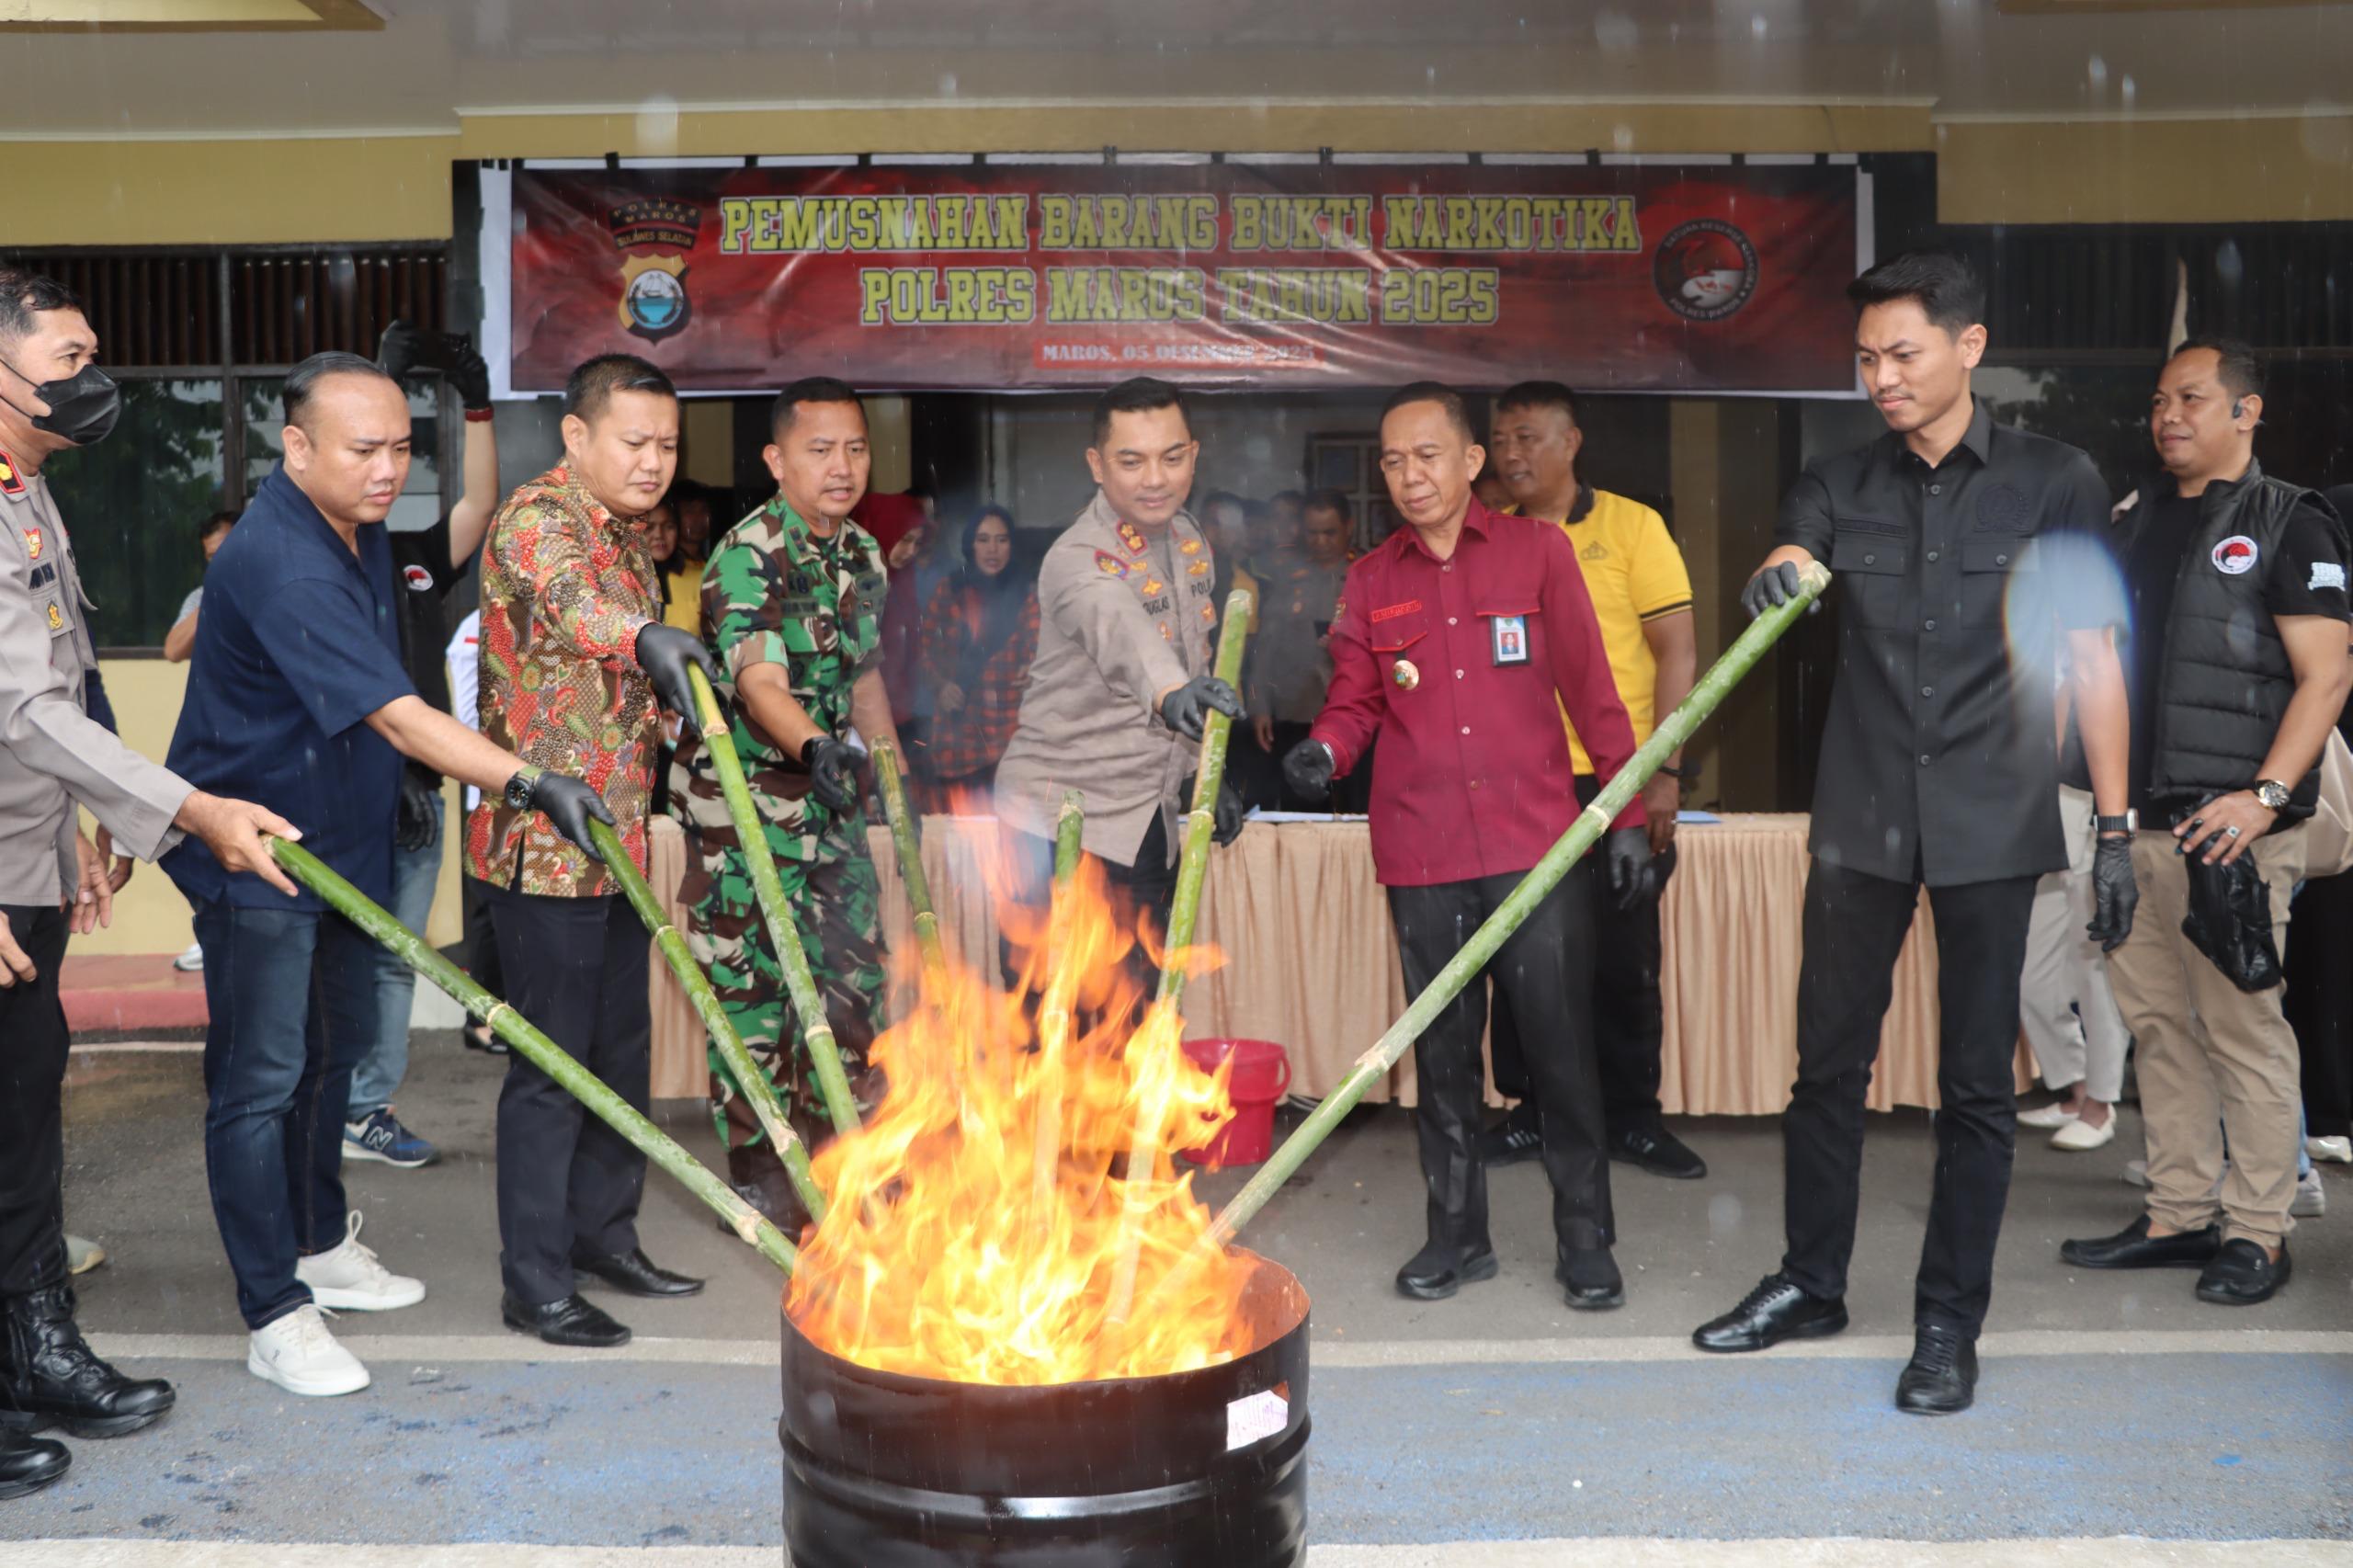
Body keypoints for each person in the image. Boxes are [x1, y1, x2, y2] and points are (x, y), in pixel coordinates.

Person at [1691, 252, 2136, 1417]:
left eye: (1902, 354)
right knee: (1826, 1066)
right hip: (1860, 819)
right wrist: (1779, 576)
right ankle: (1810, 1281)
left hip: (1994, 819)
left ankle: (1948, 1319)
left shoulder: (2055, 479)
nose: (1879, 378)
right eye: (1864, 360)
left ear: (1968, 347)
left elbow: (2091, 658)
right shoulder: (1836, 482)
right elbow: (1793, 555)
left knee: (1975, 1086)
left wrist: (2118, 828)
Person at [163, 351, 613, 1400]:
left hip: (344, 846)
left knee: (332, 1058)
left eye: (402, 447)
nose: (387, 467)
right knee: (259, 1081)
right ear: (297, 446)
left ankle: (318, 1242)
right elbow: (398, 713)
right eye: (364, 448)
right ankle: (274, 1310)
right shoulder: (279, 555)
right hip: (258, 853)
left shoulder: (356, 532)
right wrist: (531, 779)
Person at [0, 267, 300, 1496]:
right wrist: (183, 808)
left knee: (23, 1119)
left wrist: (86, 820)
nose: (91, 380)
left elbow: (56, 680)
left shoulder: (30, 492)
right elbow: (15, 700)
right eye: (66, 359)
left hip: (23, 860)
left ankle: (33, 1347)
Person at [1282, 381, 1651, 1311]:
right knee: (1442, 1057)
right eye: (1394, 461)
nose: (1411, 476)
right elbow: (1357, 698)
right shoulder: (1371, 580)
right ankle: (1456, 1233)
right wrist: (1324, 749)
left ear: (1471, 461)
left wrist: (1630, 814)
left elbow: (1592, 691)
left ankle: (1584, 1236)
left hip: (1534, 846)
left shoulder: (1537, 551)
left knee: (1560, 1048)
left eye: (1428, 455)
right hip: (1422, 849)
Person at [2059, 339, 2351, 1306]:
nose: (2167, 414)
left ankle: (2259, 1231)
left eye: (2191, 397)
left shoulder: (2287, 520)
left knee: (2240, 1029)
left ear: (2246, 410)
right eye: (2157, 399)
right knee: (2156, 1025)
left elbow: (2328, 675)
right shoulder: (2134, 518)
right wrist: (2107, 820)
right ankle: (2179, 1212)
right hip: (2134, 823)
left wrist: (2263, 795)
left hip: (2228, 830)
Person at [467, 353, 715, 1350]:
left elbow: (628, 680)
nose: (655, 462)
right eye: (635, 441)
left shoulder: (630, 537)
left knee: (619, 1051)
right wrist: (649, 633)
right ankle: (533, 1281)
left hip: (612, 837)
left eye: (667, 445)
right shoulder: (538, 520)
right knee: (550, 1066)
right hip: (542, 846)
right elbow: (579, 608)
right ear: (577, 436)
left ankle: (603, 1235)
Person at [672, 377, 900, 1228]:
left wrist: (889, 771)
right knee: (755, 993)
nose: (842, 467)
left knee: (852, 980)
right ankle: (761, 1165)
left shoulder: (864, 555)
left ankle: (847, 1150)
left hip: (833, 801)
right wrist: (818, 749)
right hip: (748, 815)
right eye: (820, 449)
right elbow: (759, 681)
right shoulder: (748, 553)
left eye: (855, 448)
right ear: (776, 459)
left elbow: (864, 674)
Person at [1483, 381, 1704, 1182]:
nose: (1513, 455)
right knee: (1520, 958)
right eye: (1502, 440)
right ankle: (1531, 1112)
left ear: (1571, 442)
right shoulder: (1487, 538)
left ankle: (1633, 1118)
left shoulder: (1631, 526)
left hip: (1619, 783)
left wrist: (1665, 773)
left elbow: (1677, 650)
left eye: (1530, 438)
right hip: (1519, 787)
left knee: (1622, 956)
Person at [992, 377, 1245, 994]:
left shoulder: (1189, 540)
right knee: (1049, 1027)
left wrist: (1197, 773)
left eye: (1172, 457)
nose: (1154, 478)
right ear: (1097, 466)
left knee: (1135, 1018)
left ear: (1194, 454)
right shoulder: (1077, 556)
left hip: (1144, 818)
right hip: (1056, 825)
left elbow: (1195, 654)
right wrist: (1170, 693)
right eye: (1131, 461)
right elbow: (1120, 626)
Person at [337, 320, 503, 1173]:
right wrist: (377, 376)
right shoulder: (328, 557)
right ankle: (317, 1105)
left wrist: (474, 406)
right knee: (331, 956)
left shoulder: (410, 560)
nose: (384, 473)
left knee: (396, 958)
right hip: (340, 796)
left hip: (416, 796)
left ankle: (366, 1110)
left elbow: (477, 506)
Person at [914, 505, 1040, 814]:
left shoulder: (1028, 593)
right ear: (970, 544)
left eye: (1001, 539)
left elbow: (1045, 650)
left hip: (1011, 733)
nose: (993, 549)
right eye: (983, 540)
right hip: (959, 736)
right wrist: (941, 686)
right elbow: (923, 650)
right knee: (964, 833)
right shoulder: (950, 590)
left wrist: (1034, 669)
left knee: (1012, 835)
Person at [1247, 489, 1352, 811]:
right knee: (1302, 811)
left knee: (1353, 812)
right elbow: (1264, 648)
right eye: (1313, 533)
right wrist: (1259, 706)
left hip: (1353, 717)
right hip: (1296, 711)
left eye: (1329, 533)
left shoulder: (1367, 575)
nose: (1320, 542)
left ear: (1349, 527)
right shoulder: (1288, 580)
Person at [162, 510, 236, 664]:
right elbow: (173, 652)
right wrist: (213, 597)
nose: (219, 561)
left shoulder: (275, 591)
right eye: (212, 556)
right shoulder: (201, 597)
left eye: (225, 550)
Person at [645, 496, 704, 634]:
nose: (659, 535)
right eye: (649, 528)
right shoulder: (621, 580)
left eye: (669, 527)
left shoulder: (701, 577)